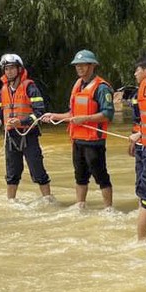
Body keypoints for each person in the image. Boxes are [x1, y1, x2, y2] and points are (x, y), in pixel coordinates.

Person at [44, 49, 115, 208]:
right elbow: (72, 114)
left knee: (100, 176)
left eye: (83, 65)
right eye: (77, 65)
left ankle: (108, 208)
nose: (79, 68)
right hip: (77, 140)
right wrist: (54, 116)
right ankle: (80, 205)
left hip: (94, 141)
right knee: (80, 176)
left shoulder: (101, 88)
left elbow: (108, 114)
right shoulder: (77, 86)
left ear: (92, 66)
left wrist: (86, 119)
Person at [0, 53, 53, 201]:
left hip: (29, 135)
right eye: (6, 69)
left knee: (38, 171)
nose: (9, 71)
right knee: (12, 174)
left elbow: (40, 113)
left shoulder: (30, 87)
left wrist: (21, 122)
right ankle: (11, 202)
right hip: (11, 137)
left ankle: (48, 201)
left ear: (19, 69)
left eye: (12, 68)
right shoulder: (2, 92)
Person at [127, 51, 146, 185]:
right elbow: (138, 120)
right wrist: (134, 140)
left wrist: (139, 135)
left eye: (137, 70)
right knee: (141, 178)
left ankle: (143, 205)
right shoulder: (138, 92)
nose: (135, 74)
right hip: (139, 141)